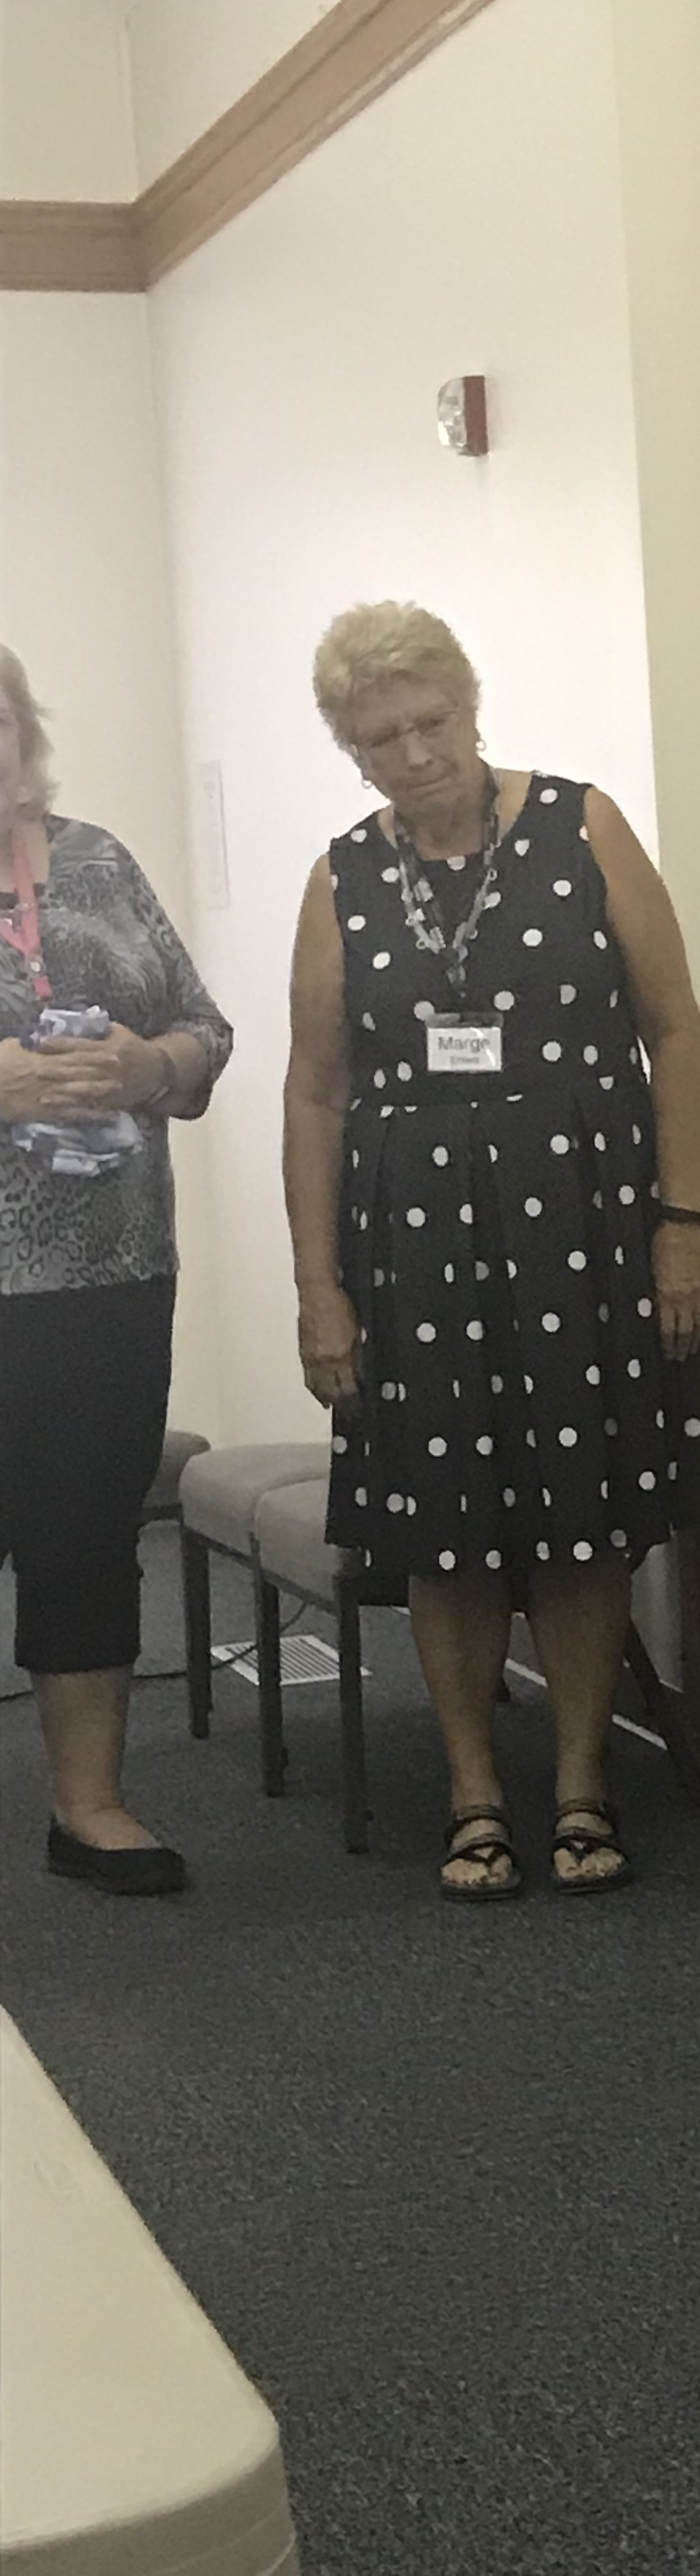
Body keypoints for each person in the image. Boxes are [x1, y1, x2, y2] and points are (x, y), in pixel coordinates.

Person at [283, 604, 700, 1901]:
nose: (416, 755)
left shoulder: (582, 825)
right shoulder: (342, 878)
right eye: (382, 740)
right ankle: (474, 1789)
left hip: (582, 1230)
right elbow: (316, 1092)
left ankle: (583, 1781)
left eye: (432, 723)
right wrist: (318, 1287)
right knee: (445, 1527)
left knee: (582, 1520)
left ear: (472, 706)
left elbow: (675, 1030)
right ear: (352, 752)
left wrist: (681, 1223)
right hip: (412, 1251)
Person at [0, 645, 232, 1896]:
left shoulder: (98, 861)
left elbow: (207, 1029)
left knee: (86, 1535)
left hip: (112, 1273)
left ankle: (87, 1807)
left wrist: (152, 1068)